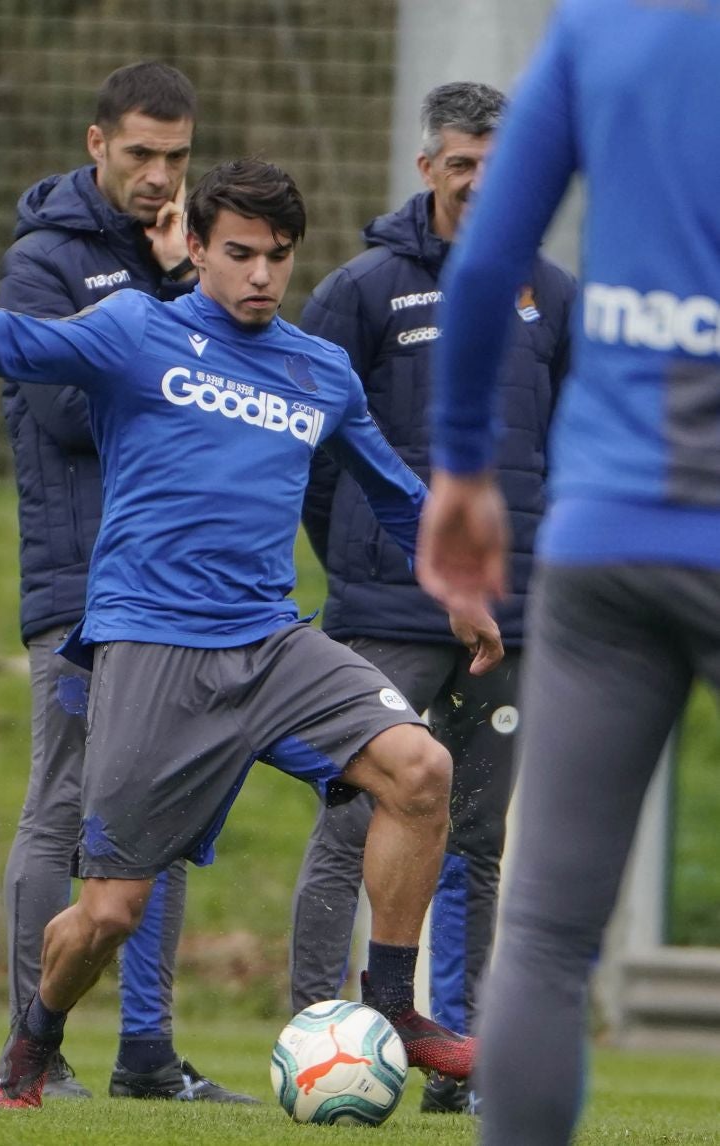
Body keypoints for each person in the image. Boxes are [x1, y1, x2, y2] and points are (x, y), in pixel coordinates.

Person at [0, 156, 503, 1110]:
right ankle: (32, 1041)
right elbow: (23, 345)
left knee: (420, 771)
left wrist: (459, 587)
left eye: (279, 257)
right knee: (107, 914)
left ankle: (391, 1005)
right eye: (240, 254)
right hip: (152, 647)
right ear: (202, 250)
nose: (261, 275)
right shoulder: (138, 330)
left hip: (272, 645)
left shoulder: (318, 369)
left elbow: (395, 494)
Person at [417, 3, 720, 1144]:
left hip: (607, 540)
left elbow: (490, 254)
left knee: (543, 934)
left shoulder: (603, 29)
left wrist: (461, 466)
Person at [290, 80, 575, 1115]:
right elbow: (320, 461)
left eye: (500, 168)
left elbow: (572, 450)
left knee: (481, 839)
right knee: (349, 827)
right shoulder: (363, 290)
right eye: (463, 165)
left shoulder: (553, 292)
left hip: (518, 615)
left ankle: (462, 1060)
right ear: (428, 169)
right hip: (385, 617)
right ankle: (319, 1033)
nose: (480, 183)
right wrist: (370, 569)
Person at [0, 61, 253, 1103]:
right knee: (62, 812)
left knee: (168, 818)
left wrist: (182, 287)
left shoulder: (186, 264)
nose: (160, 176)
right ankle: (34, 1050)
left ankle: (146, 1057)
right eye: (141, 153)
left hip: (179, 589)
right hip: (81, 587)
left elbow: (230, 399)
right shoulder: (40, 265)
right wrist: (162, 298)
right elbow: (67, 413)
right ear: (96, 144)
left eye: (177, 158)